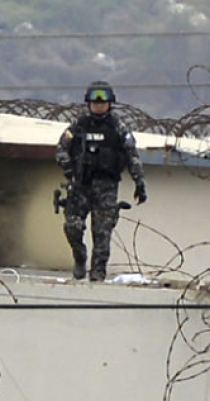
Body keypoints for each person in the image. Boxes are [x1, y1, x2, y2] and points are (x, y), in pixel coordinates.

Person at [55, 81, 147, 282]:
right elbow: (61, 148)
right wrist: (69, 168)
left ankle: (98, 273)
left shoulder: (118, 128)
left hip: (106, 187)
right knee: (72, 227)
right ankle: (80, 257)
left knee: (102, 234)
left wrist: (139, 182)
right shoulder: (79, 126)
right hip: (80, 185)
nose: (98, 104)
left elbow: (132, 155)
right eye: (94, 101)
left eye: (102, 101)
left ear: (109, 103)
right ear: (88, 103)